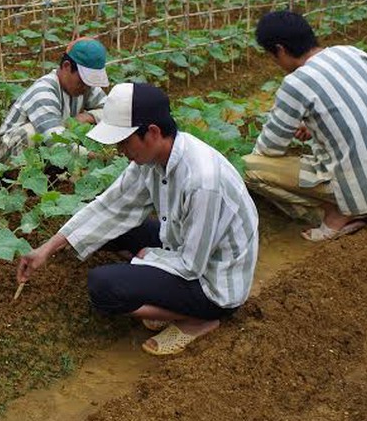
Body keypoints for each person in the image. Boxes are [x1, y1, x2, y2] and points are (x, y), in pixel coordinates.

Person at [17, 82, 259, 356]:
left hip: (214, 282)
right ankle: (164, 291)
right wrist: (47, 248)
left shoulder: (203, 181)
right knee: (117, 231)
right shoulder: (153, 159)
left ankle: (197, 319)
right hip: (185, 245)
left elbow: (192, 265)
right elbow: (110, 206)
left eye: (124, 141)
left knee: (103, 287)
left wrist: (146, 257)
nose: (121, 150)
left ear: (152, 133)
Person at [244, 10, 367, 241]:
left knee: (251, 168)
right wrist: (313, 124)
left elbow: (269, 148)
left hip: (362, 188)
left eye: (272, 56)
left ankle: (338, 212)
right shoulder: (351, 52)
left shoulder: (296, 82)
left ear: (280, 50)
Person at [0, 37, 109, 164]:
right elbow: (55, 139)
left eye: (90, 83)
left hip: (46, 154)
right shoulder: (43, 91)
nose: (86, 87)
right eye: (83, 81)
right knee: (30, 133)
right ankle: (18, 180)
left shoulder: (85, 87)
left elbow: (111, 112)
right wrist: (94, 156)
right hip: (2, 156)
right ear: (67, 66)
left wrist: (89, 116)